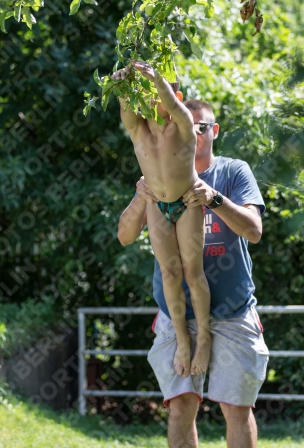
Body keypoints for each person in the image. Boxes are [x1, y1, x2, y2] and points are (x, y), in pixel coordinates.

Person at [117, 98, 269, 448]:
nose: (197, 134)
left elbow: (254, 230)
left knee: (236, 408)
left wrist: (213, 198)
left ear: (213, 132)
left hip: (234, 310)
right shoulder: (160, 167)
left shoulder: (234, 171)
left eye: (204, 128)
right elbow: (125, 235)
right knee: (181, 406)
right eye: (192, 127)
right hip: (175, 314)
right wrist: (141, 195)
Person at [111, 60, 211, 378]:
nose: (153, 100)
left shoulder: (183, 125)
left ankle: (204, 336)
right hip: (158, 206)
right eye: (148, 95)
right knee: (170, 274)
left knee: (193, 274)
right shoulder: (138, 128)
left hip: (187, 204)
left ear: (173, 95)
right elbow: (126, 108)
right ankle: (183, 339)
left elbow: (172, 104)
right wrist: (123, 83)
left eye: (158, 93)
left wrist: (156, 78)